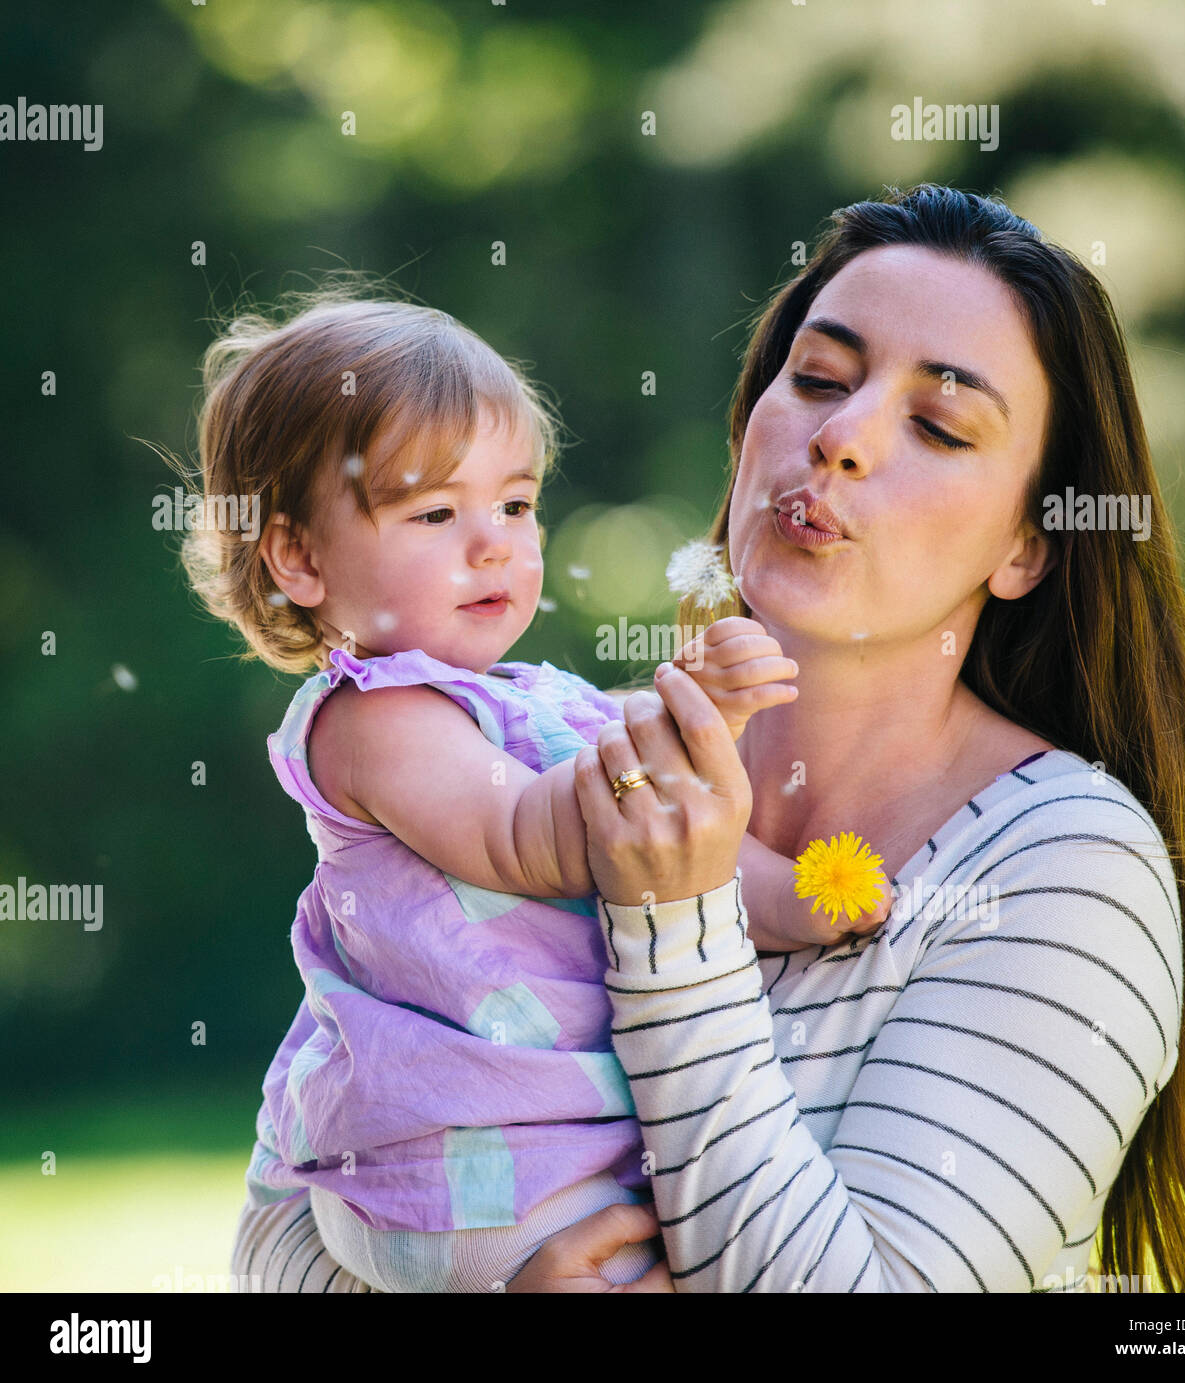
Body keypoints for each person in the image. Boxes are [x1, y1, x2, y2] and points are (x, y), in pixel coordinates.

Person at [236, 186, 1185, 1294]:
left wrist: (674, 917)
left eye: (937, 426)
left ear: (1027, 545)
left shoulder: (1062, 867)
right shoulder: (566, 757)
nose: (839, 437)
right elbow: (290, 1213)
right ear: (748, 426)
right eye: (821, 380)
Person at [182, 293, 884, 1293]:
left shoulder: (535, 701)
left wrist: (799, 893)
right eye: (435, 514)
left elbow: (689, 836)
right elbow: (533, 836)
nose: (494, 545)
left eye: (514, 505)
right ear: (298, 556)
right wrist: (684, 721)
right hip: (464, 1170)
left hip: (550, 1135)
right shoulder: (372, 722)